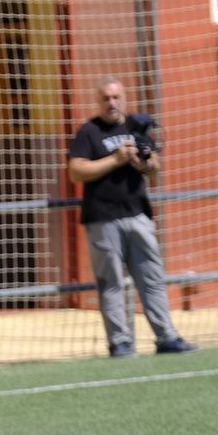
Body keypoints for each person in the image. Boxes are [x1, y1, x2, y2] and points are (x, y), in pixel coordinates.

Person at [68, 77, 198, 358]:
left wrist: (144, 163)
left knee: (151, 278)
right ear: (98, 101)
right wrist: (114, 160)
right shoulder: (88, 132)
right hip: (102, 219)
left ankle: (167, 337)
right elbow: (76, 171)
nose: (111, 103)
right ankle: (120, 342)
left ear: (124, 98)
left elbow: (154, 166)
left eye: (116, 97)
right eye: (106, 98)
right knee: (111, 282)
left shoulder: (136, 127)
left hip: (138, 214)